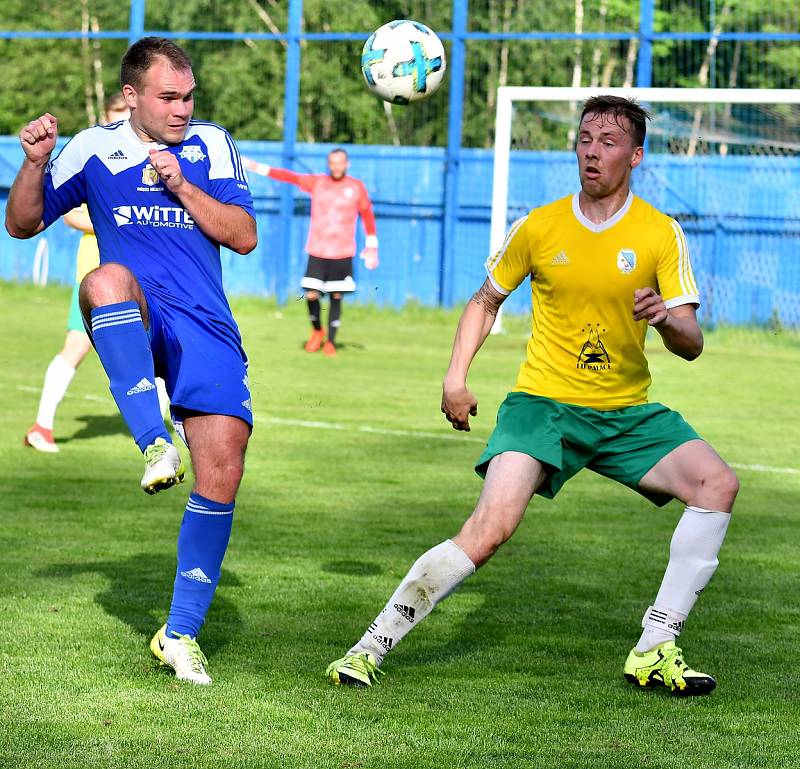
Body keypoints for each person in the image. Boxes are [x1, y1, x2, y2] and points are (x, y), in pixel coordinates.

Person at [325, 95, 739, 696]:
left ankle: (655, 649)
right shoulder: (540, 225)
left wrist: (665, 319)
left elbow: (692, 342)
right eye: (585, 138)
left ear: (637, 156)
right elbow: (485, 299)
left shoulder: (659, 234)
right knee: (489, 528)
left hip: (624, 413)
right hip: (543, 406)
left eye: (609, 142)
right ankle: (368, 649)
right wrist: (455, 376)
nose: (592, 151)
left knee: (717, 484)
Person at [6, 37, 257, 685]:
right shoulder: (93, 147)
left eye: (188, 96)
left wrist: (181, 187)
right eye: (168, 97)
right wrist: (34, 163)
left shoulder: (211, 146)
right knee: (103, 282)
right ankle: (153, 442)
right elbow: (23, 223)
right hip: (140, 312)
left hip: (205, 324)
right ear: (130, 96)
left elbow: (244, 234)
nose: (182, 109)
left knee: (223, 471)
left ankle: (178, 635)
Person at [23, 94, 170, 454]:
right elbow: (64, 213)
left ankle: (164, 434)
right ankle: (42, 425)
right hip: (96, 275)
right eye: (119, 111)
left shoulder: (156, 155)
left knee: (162, 352)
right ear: (109, 114)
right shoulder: (95, 152)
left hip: (143, 278)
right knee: (76, 347)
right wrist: (112, 220)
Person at [242, 149, 378, 356]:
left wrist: (372, 245)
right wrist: (257, 168)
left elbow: (367, 213)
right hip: (317, 249)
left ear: (346, 164)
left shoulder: (355, 187)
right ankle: (317, 332)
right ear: (328, 164)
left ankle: (331, 342)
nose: (336, 166)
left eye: (340, 162)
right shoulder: (318, 183)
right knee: (312, 294)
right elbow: (290, 177)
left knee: (336, 295)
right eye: (332, 162)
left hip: (342, 251)